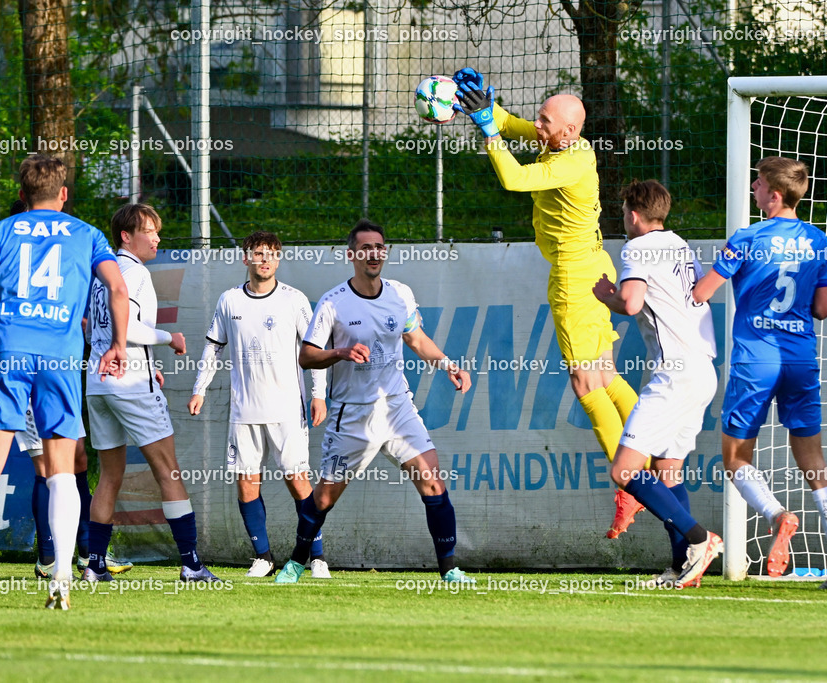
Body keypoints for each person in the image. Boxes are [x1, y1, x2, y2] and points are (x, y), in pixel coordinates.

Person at [452, 67, 645, 538]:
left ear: (569, 130)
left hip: (575, 276)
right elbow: (510, 124)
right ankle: (653, 449)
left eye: (544, 121)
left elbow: (515, 180)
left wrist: (486, 132)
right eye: (539, 119)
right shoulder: (561, 141)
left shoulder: (572, 162)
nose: (536, 127)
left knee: (584, 382)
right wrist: (479, 106)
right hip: (595, 267)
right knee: (607, 374)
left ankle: (631, 485)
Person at [0, 155, 129, 609]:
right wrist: (118, 345)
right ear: (63, 194)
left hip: (8, 353)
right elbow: (117, 289)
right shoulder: (87, 235)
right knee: (63, 468)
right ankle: (62, 581)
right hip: (60, 358)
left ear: (22, 195)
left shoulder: (1, 231)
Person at [274, 219, 474, 584]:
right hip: (353, 414)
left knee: (433, 482)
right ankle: (297, 561)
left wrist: (449, 365)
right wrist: (342, 352)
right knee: (322, 499)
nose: (374, 253)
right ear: (351, 255)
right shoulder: (334, 303)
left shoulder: (400, 294)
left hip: (397, 407)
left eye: (379, 247)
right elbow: (306, 356)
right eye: (365, 248)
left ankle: (450, 570)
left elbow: (416, 339)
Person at [692, 156, 827, 590]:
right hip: (801, 358)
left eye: (758, 183)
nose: (753, 188)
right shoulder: (818, 241)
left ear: (774, 195)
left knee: (735, 458)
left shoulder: (746, 238)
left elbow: (701, 293)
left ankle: (776, 515)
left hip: (755, 359)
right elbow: (822, 309)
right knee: (814, 460)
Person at [593, 180, 721, 587]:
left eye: (624, 212)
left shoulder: (638, 247)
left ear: (633, 214)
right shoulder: (681, 245)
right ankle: (686, 565)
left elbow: (630, 303)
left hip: (676, 373)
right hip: (703, 369)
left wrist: (605, 295)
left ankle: (700, 540)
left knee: (625, 470)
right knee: (668, 471)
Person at [83, 203, 218, 583]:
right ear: (127, 236)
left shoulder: (100, 275)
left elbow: (93, 330)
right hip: (128, 381)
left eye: (158, 231)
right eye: (149, 231)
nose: (157, 237)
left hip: (98, 382)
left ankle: (94, 565)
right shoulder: (135, 273)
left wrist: (148, 363)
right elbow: (131, 329)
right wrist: (167, 339)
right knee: (168, 470)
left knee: (109, 475)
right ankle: (191, 565)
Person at [188, 231, 332, 579]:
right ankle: (264, 558)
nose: (264, 259)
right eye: (258, 253)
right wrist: (199, 389)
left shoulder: (294, 300)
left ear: (279, 260)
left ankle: (317, 557)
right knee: (246, 482)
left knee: (298, 481)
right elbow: (213, 348)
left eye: (271, 254)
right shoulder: (229, 301)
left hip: (287, 409)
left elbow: (315, 347)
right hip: (244, 412)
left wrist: (318, 394)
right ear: (245, 258)